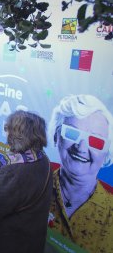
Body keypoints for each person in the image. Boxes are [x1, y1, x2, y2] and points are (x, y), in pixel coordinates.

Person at [0, 110, 52, 253]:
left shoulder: (14, 171)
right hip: (31, 240)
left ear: (18, 136)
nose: (6, 132)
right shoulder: (43, 159)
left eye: (9, 129)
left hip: (6, 242)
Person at [48, 94, 113, 253]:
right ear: (57, 137)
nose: (82, 148)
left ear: (107, 156)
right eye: (71, 133)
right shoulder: (35, 186)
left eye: (96, 141)